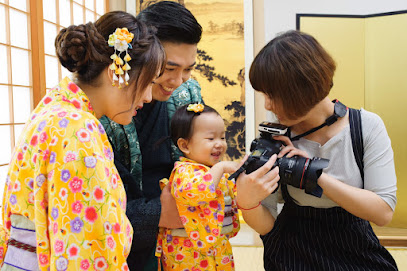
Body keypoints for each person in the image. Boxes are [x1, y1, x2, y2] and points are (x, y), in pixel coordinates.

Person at [0, 11, 165, 270]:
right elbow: (90, 245)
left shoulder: (52, 109)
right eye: (147, 83)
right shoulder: (80, 130)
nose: (147, 97)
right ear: (116, 71)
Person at [237, 30, 398, 270]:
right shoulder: (279, 135)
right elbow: (267, 223)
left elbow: (383, 212)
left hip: (355, 249)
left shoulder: (365, 126)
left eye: (273, 95)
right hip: (293, 252)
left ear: (302, 89)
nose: (267, 105)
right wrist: (247, 202)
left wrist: (316, 176)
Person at [99, 2, 204, 270]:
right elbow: (97, 206)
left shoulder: (188, 95)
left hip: (180, 239)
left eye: (188, 69)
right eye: (169, 68)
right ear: (145, 52)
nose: (179, 80)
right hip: (121, 238)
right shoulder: (105, 110)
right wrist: (158, 214)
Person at [156, 103, 240, 270]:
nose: (219, 144)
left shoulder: (215, 171)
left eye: (222, 137)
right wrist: (221, 168)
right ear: (185, 145)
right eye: (211, 139)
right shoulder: (184, 171)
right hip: (188, 251)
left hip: (217, 247)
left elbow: (235, 195)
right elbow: (196, 192)